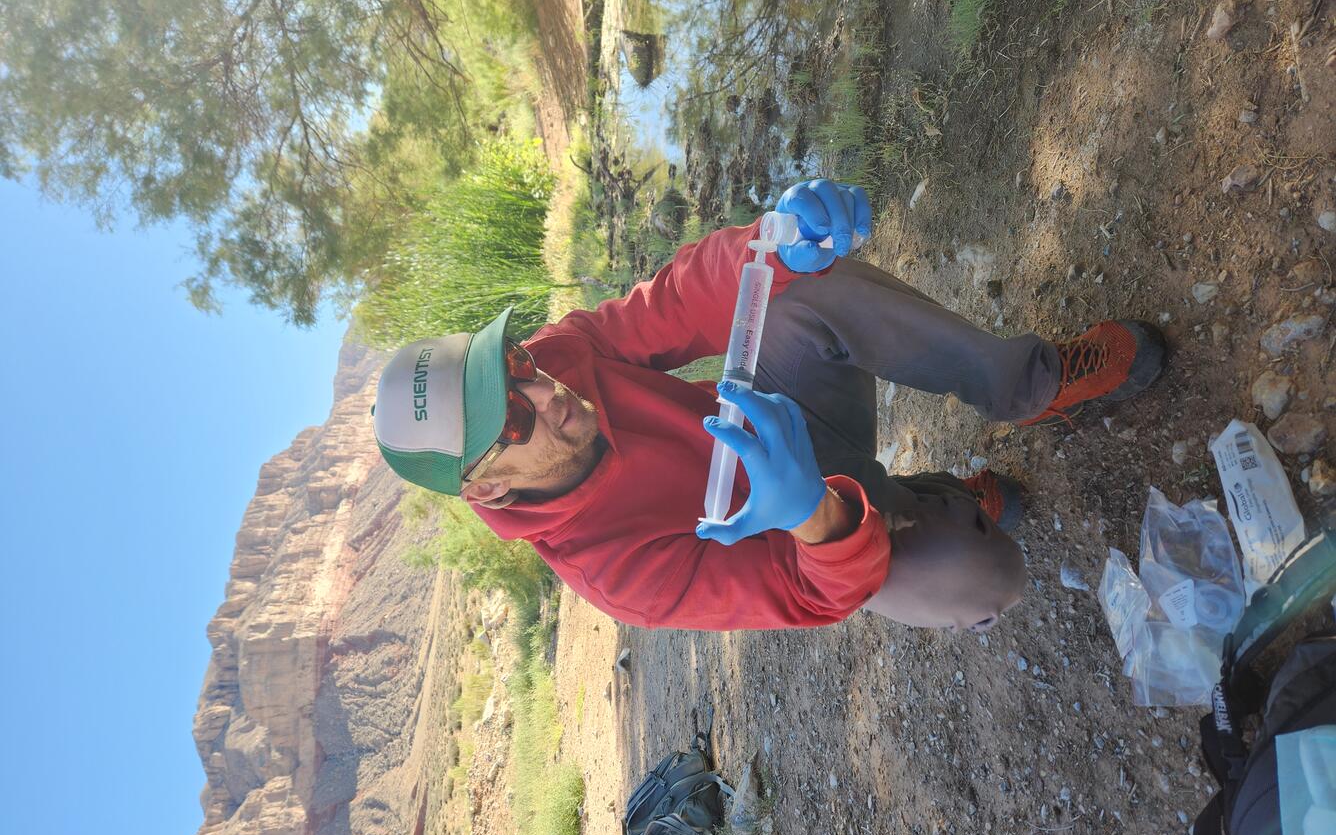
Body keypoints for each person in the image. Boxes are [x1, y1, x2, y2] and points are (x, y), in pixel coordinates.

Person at [371, 179, 1165, 632]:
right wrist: (808, 513)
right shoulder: (615, 573)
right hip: (813, 531)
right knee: (984, 569)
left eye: (518, 366)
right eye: (514, 420)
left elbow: (677, 303)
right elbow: (802, 594)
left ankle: (1028, 383)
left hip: (790, 416)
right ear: (487, 488)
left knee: (789, 295)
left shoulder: (560, 356)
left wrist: (770, 243)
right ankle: (944, 506)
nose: (545, 391)